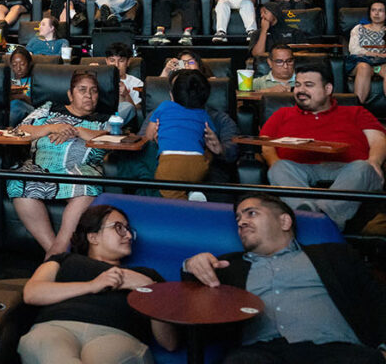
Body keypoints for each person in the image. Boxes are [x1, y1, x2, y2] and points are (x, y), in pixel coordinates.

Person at [182, 193, 386, 364]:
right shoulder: (227, 266)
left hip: (336, 351)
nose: (242, 222)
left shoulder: (334, 255)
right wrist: (191, 264)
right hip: (261, 354)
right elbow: (186, 304)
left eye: (251, 213)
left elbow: (377, 300)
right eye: (238, 219)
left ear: (284, 221)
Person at [17, 204, 176, 364]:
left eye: (129, 230)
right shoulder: (65, 260)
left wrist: (151, 290)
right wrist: (92, 285)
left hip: (116, 335)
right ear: (93, 237)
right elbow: (32, 293)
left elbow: (169, 343)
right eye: (119, 228)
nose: (128, 235)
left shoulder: (147, 275)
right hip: (56, 328)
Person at [258, 61, 385, 229]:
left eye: (309, 85)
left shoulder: (355, 112)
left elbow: (378, 139)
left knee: (363, 168)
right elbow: (266, 144)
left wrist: (374, 161)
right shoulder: (282, 114)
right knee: (279, 167)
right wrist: (273, 161)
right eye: (297, 85)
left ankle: (312, 219)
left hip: (347, 170)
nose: (301, 90)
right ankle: (319, 221)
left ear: (328, 89)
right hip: (299, 169)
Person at [7, 70, 108, 257]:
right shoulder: (50, 108)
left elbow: (110, 139)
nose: (89, 95)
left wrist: (75, 131)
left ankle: (58, 250)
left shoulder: (105, 119)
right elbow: (20, 130)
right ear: (70, 94)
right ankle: (56, 255)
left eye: (94, 91)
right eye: (82, 90)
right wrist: (52, 127)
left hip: (81, 170)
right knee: (19, 184)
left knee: (88, 188)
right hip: (39, 167)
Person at [142, 70, 217, 199]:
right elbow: (209, 137)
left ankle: (189, 202)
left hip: (170, 165)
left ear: (172, 95)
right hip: (198, 165)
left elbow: (148, 137)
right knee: (208, 154)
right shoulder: (203, 114)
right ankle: (193, 190)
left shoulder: (164, 107)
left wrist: (158, 139)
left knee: (172, 195)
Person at [348, 0, 386, 106]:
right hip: (361, 63)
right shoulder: (358, 29)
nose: (376, 13)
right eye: (373, 10)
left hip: (380, 66)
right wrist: (378, 54)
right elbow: (354, 49)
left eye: (381, 10)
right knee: (364, 67)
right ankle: (357, 110)